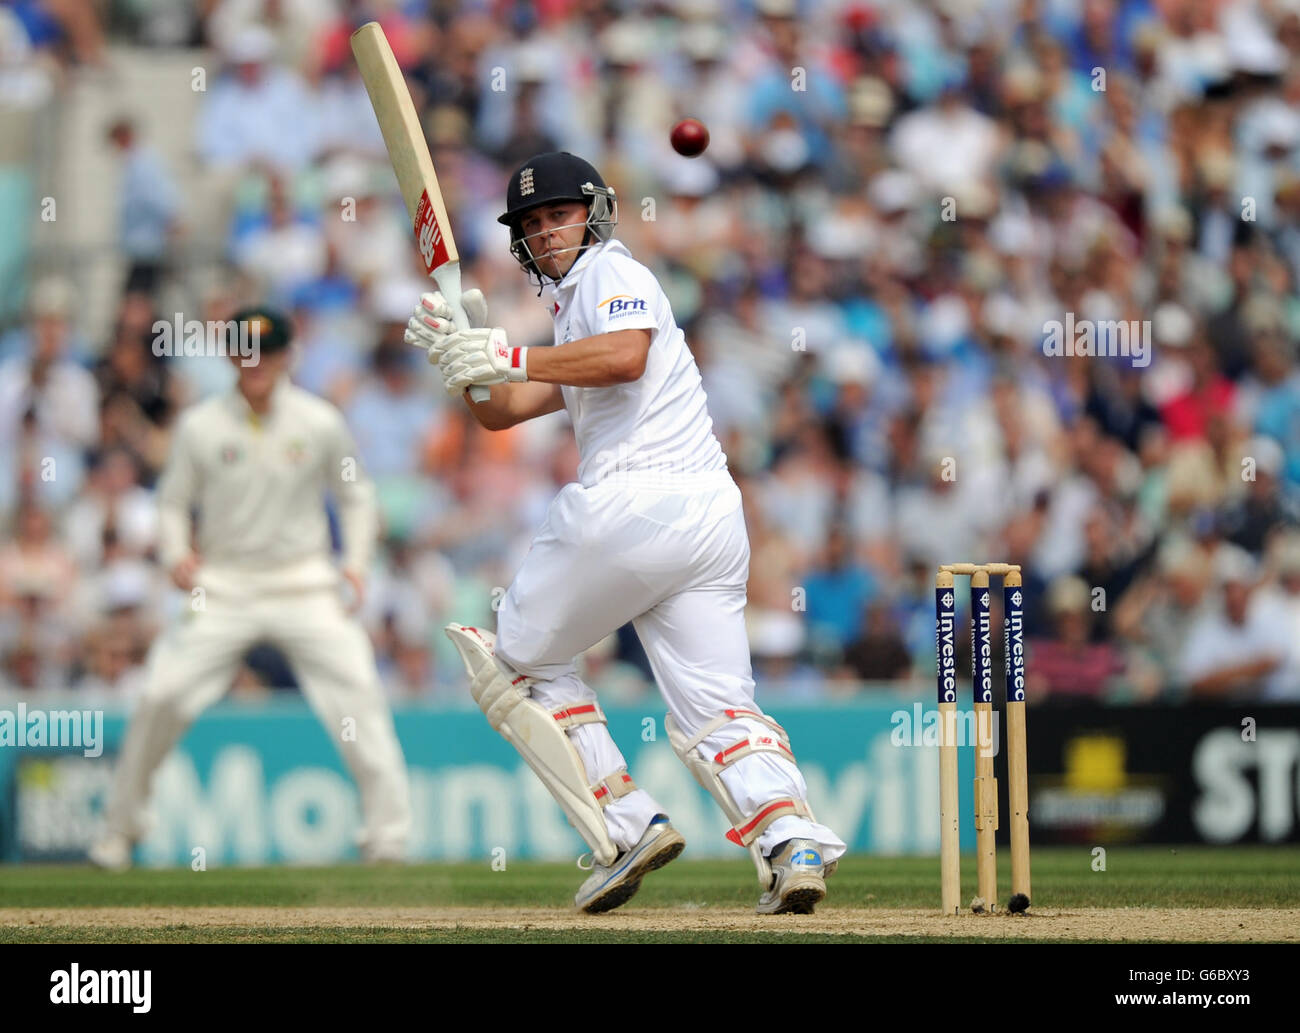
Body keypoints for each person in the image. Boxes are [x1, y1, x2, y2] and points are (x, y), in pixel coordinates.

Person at [405, 152, 845, 913]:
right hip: (709, 519)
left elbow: (624, 356)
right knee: (717, 703)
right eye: (532, 224)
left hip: (633, 505)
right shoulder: (570, 314)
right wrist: (464, 354)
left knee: (511, 658)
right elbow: (501, 412)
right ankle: (790, 836)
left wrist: (505, 354)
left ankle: (626, 824)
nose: (547, 233)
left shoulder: (612, 273)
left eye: (559, 215)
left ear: (596, 212)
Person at [90, 308, 411, 868]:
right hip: (223, 586)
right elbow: (170, 504)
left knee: (359, 692)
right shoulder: (200, 426)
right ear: (231, 356)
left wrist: (355, 564)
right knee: (161, 694)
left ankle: (388, 836)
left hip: (304, 583)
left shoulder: (319, 421)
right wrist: (175, 553)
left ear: (287, 356)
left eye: (268, 351)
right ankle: (121, 828)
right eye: (245, 350)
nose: (256, 362)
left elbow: (357, 497)